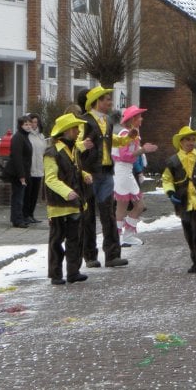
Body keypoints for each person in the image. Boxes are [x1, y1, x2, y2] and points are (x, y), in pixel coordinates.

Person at [77, 86, 132, 269]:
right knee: (89, 214)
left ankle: (112, 255)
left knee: (108, 213)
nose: (110, 102)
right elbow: (74, 144)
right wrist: (83, 145)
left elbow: (110, 140)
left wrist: (126, 139)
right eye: (107, 99)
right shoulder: (83, 121)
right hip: (90, 173)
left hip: (106, 172)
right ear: (97, 102)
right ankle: (90, 256)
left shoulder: (107, 121)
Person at [43, 113, 90, 285]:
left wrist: (84, 175)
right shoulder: (52, 152)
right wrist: (67, 192)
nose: (78, 131)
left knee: (75, 238)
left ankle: (73, 272)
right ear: (66, 131)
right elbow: (51, 179)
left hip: (76, 202)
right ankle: (56, 274)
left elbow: (73, 170)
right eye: (75, 128)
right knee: (56, 240)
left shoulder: (74, 149)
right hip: (58, 204)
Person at [163, 126, 196, 273]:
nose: (191, 142)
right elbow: (167, 179)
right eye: (187, 139)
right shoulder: (173, 161)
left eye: (193, 139)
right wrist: (170, 192)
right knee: (188, 231)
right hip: (182, 200)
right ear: (180, 142)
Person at [112, 105, 158, 245]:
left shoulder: (132, 134)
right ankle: (118, 237)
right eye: (139, 117)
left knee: (139, 205)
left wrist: (142, 150)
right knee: (122, 206)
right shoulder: (125, 135)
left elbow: (132, 154)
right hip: (122, 171)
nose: (141, 119)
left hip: (127, 171)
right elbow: (123, 155)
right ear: (132, 119)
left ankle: (127, 234)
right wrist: (142, 150)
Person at [3, 115, 33, 228]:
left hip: (24, 172)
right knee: (18, 197)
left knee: (21, 196)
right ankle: (17, 220)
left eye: (30, 124)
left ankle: (20, 217)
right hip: (17, 173)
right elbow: (17, 157)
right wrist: (21, 175)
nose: (29, 126)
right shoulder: (18, 137)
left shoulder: (25, 137)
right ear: (20, 125)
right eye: (26, 124)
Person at [23, 113, 48, 225]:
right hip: (30, 169)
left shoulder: (41, 136)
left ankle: (31, 214)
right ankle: (25, 214)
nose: (34, 124)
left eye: (36, 122)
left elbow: (44, 151)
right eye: (32, 122)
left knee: (35, 194)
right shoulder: (27, 136)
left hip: (39, 169)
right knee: (27, 194)